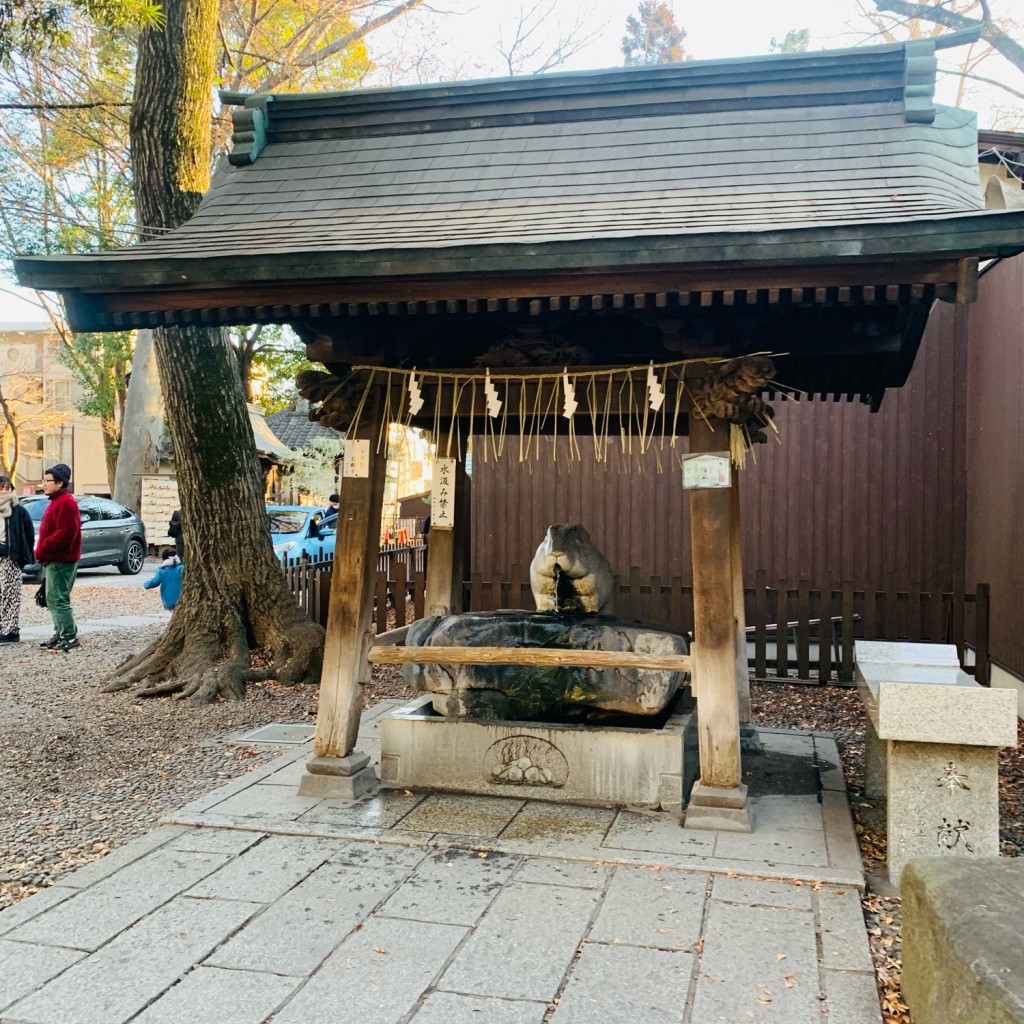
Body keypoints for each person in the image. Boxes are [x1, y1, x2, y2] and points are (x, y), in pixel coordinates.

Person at [35, 463, 82, 652]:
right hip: (54, 559)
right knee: (51, 598)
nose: (44, 484)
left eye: (48, 481)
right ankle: (60, 633)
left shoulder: (66, 503)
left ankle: (69, 636)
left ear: (60, 483)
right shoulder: (57, 502)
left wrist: (43, 548)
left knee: (58, 599)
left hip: (62, 560)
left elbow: (66, 533)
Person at [0, 476, 35, 644]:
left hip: (11, 558)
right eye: (0, 488)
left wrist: (26, 556)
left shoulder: (19, 510)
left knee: (10, 594)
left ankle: (11, 630)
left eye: (6, 488)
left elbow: (28, 534)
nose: (3, 491)